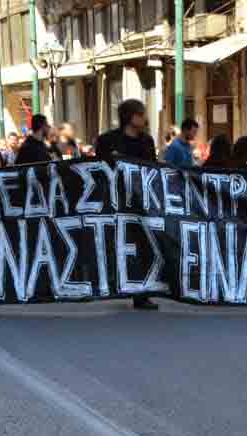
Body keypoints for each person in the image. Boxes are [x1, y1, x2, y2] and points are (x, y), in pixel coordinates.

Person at [94, 99, 160, 310]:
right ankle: (114, 285)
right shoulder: (107, 140)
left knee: (142, 246)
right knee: (116, 245)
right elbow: (98, 168)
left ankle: (141, 293)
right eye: (140, 114)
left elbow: (153, 168)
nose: (144, 118)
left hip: (141, 203)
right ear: (130, 117)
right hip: (116, 202)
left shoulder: (147, 141)